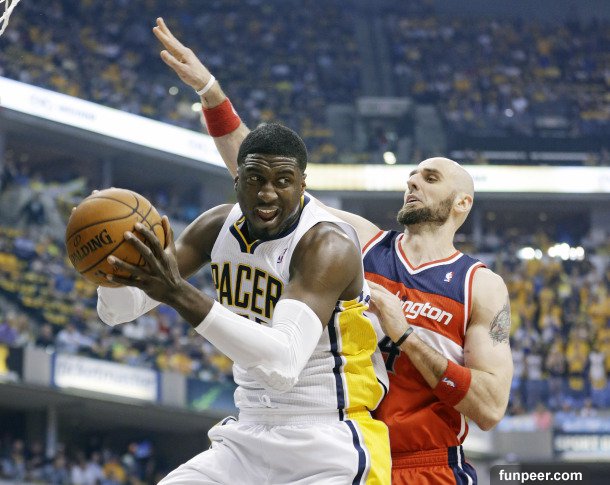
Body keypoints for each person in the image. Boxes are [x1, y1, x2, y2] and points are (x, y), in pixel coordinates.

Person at [152, 17, 513, 484]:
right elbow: (264, 180)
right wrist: (211, 92)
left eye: (430, 177)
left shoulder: (479, 285)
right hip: (345, 450)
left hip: (429, 463)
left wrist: (406, 337)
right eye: (411, 176)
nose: (413, 182)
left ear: (462, 203)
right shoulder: (356, 242)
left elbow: (489, 407)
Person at [96, 121, 391, 483]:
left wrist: (179, 294)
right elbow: (118, 310)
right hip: (247, 434)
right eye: (255, 179)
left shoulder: (327, 244)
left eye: (283, 181)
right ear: (237, 180)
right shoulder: (216, 226)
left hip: (327, 439)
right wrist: (109, 263)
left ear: (302, 186)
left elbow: (282, 365)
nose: (267, 194)